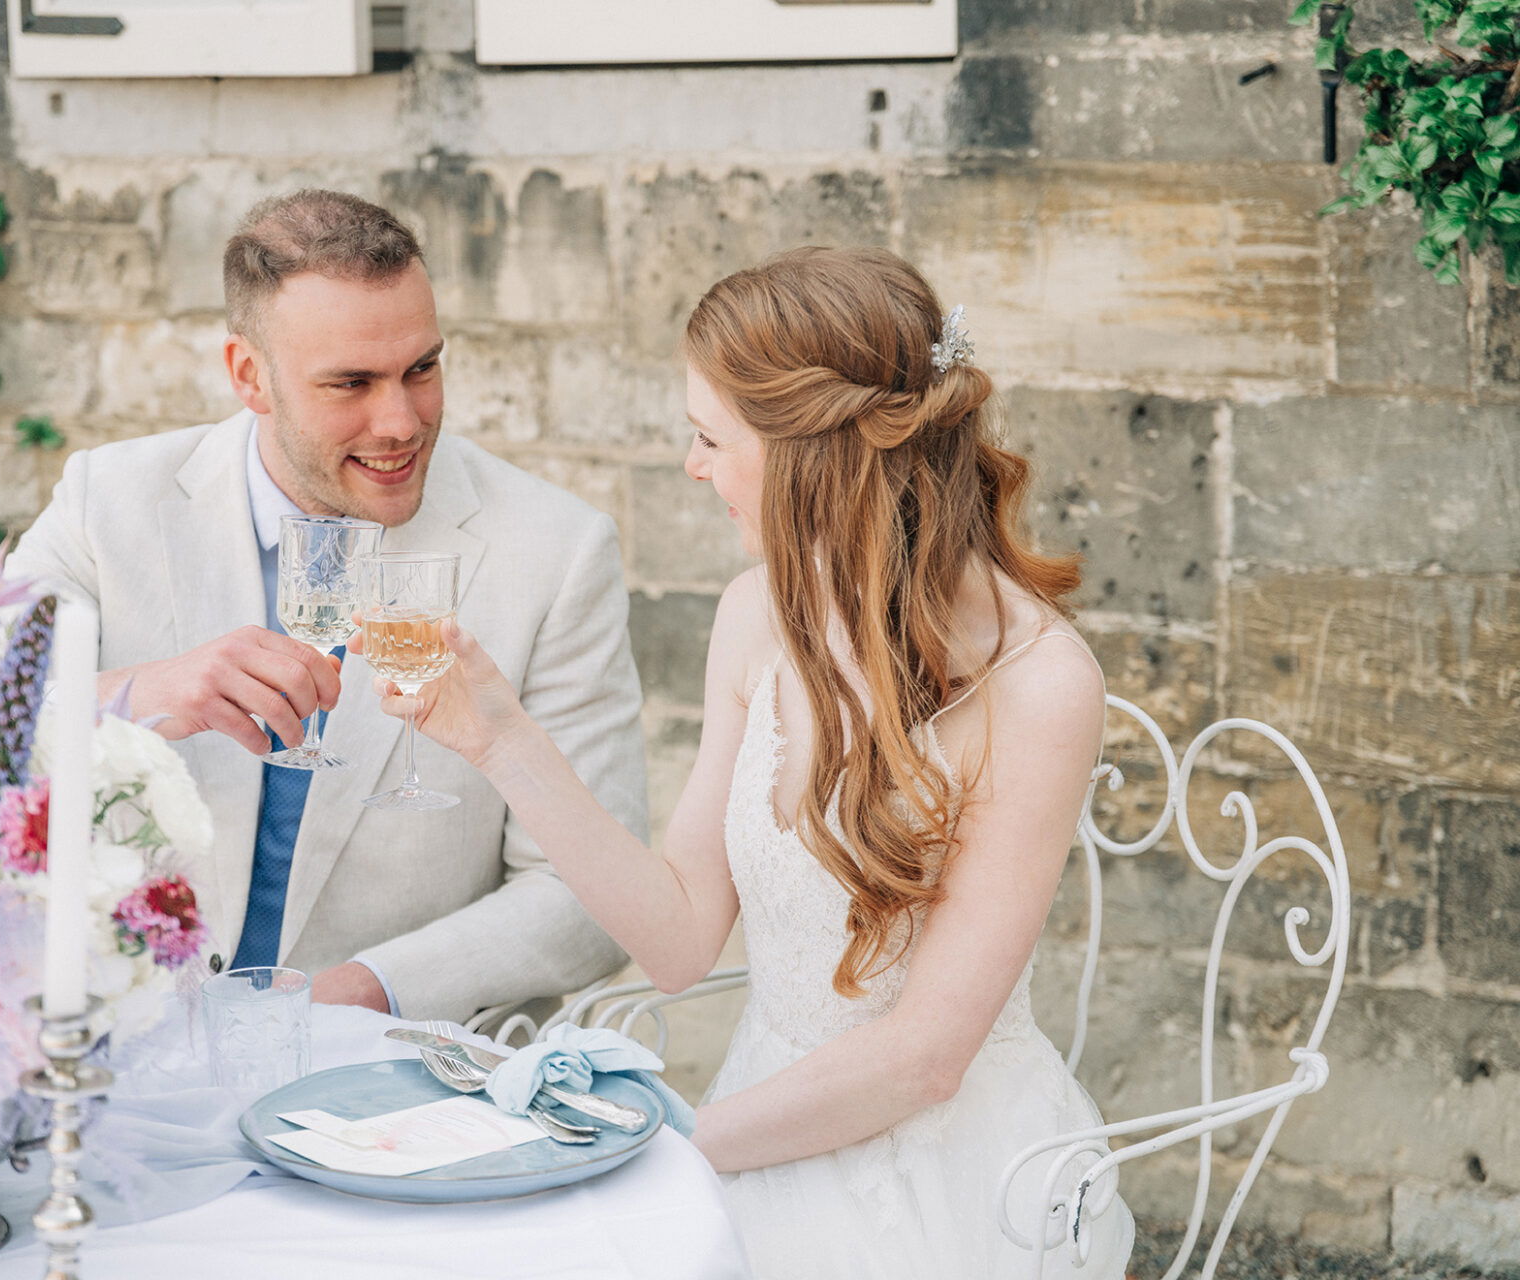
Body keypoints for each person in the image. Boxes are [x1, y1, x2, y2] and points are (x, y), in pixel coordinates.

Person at [360, 247, 1136, 1276]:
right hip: (758, 1116)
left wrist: (658, 1147)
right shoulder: (753, 615)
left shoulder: (1042, 681)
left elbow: (924, 1057)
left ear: (813, 453)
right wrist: (500, 737)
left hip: (949, 1175)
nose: (693, 466)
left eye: (709, 438)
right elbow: (680, 935)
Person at [10, 190, 647, 1024]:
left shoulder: (558, 552)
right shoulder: (107, 501)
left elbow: (592, 895)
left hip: (391, 1092)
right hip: (117, 1053)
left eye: (422, 368)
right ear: (249, 375)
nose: (402, 420)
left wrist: (356, 997)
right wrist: (142, 693)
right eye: (351, 382)